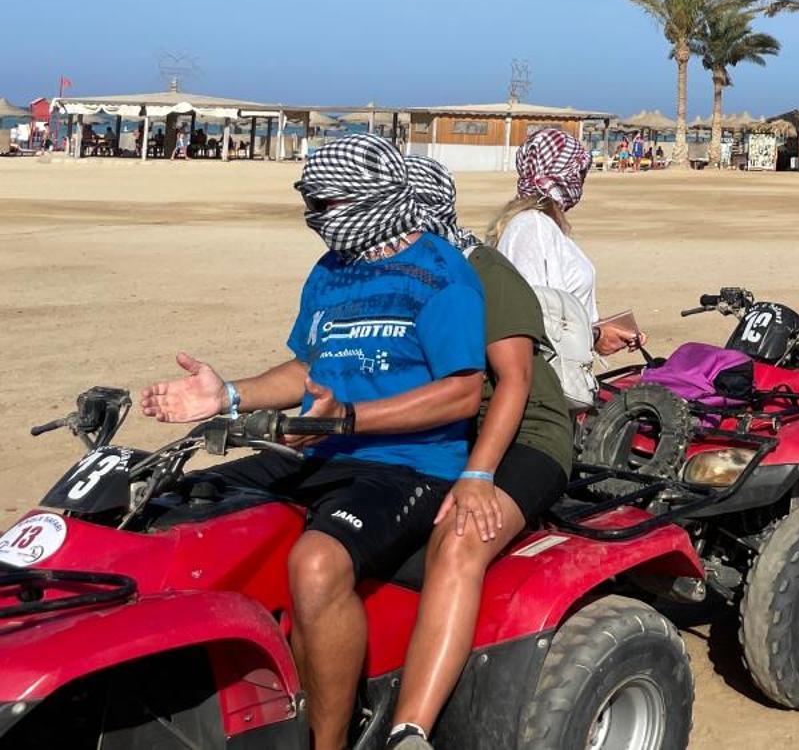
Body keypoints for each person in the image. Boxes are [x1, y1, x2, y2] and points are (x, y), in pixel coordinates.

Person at [139, 136, 487, 750]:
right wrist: (228, 396)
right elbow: (307, 369)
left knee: (316, 563)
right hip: (321, 448)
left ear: (371, 198)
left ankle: (328, 740)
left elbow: (461, 393)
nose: (314, 214)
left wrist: (348, 418)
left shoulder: (441, 274)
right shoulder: (331, 271)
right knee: (173, 500)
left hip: (411, 466)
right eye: (308, 199)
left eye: (324, 201)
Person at [383, 159, 575, 750]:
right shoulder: (392, 276)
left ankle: (409, 731)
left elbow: (513, 383)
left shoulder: (482, 272)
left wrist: (478, 474)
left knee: (461, 540)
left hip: (525, 435)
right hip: (445, 431)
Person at [490, 126, 638, 405]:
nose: (581, 183)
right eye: (579, 174)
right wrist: (595, 334)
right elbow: (535, 315)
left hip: (559, 383)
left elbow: (559, 309)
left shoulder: (544, 227)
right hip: (544, 391)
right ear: (563, 174)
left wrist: (599, 335)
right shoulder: (533, 227)